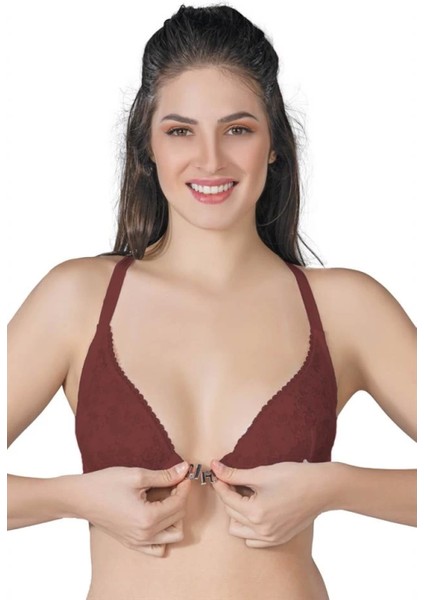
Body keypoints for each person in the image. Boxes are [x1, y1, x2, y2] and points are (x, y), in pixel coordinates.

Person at [7, 4, 417, 600]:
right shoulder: (76, 300)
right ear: (148, 147)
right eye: (180, 131)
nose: (210, 160)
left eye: (238, 129)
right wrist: (72, 498)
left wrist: (335, 488)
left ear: (273, 144)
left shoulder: (346, 308)